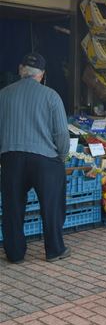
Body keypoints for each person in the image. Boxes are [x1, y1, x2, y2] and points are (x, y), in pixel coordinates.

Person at [0, 53, 70, 264]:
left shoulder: (3, 94)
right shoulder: (51, 96)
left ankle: (14, 253)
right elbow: (61, 133)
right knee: (51, 205)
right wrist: (62, 156)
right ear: (42, 75)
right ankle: (54, 250)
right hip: (45, 159)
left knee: (12, 206)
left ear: (21, 70)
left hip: (11, 156)